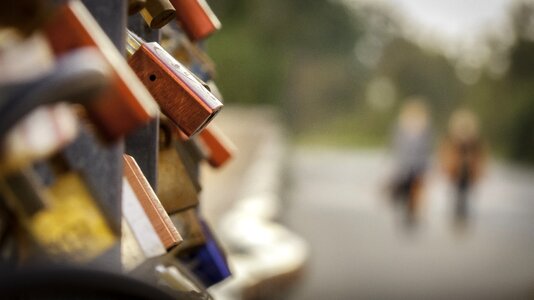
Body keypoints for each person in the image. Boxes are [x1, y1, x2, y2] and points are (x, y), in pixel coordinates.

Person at [389, 98, 433, 226]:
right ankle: (405, 210)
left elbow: (427, 149)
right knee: (404, 190)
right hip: (404, 165)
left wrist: (426, 166)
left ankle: (412, 214)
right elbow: (396, 146)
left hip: (419, 166)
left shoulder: (426, 129)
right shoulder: (400, 128)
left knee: (416, 192)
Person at [439, 109, 486, 226]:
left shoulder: (474, 141)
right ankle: (458, 211)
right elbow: (445, 152)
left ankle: (462, 211)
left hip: (468, 169)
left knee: (464, 191)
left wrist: (479, 169)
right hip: (456, 169)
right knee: (457, 190)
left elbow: (480, 155)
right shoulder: (452, 139)